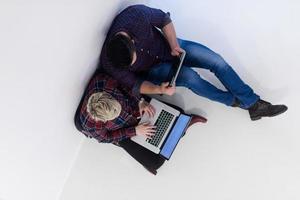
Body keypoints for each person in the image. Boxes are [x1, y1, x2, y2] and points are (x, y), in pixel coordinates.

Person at [99, 4, 287, 121]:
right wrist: (160, 90)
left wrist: (173, 45)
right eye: (133, 62)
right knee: (191, 78)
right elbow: (136, 84)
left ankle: (252, 105)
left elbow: (163, 19)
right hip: (155, 69)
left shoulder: (134, 15)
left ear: (132, 40)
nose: (135, 61)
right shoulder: (110, 63)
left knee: (216, 61)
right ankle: (240, 102)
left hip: (170, 47)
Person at [74, 70, 207, 175]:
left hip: (134, 106)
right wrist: (135, 131)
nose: (118, 112)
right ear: (100, 119)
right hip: (125, 129)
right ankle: (178, 130)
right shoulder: (90, 124)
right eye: (114, 115)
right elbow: (106, 138)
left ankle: (182, 126)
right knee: (155, 163)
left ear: (108, 95)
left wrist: (140, 101)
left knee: (177, 112)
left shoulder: (104, 82)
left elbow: (125, 85)